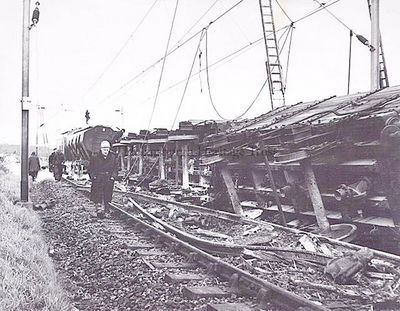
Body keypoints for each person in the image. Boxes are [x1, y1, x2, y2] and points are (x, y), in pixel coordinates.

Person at [88, 140, 118, 217]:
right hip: (98, 178)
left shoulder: (113, 157)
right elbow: (90, 168)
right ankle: (99, 209)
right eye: (104, 149)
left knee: (107, 194)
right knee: (97, 193)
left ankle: (107, 209)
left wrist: (113, 176)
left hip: (108, 178)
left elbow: (116, 168)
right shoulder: (95, 157)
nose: (106, 151)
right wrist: (93, 176)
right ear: (101, 149)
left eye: (107, 149)